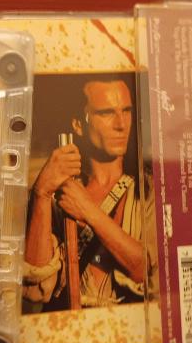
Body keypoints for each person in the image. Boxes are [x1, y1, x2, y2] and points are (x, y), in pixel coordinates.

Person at [22, 78, 148, 312]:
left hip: (127, 326)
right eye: (106, 113)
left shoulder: (148, 189)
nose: (121, 124)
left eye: (126, 111)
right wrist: (42, 193)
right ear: (78, 125)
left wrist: (88, 210)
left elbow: (149, 271)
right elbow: (35, 291)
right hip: (70, 327)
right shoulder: (59, 193)